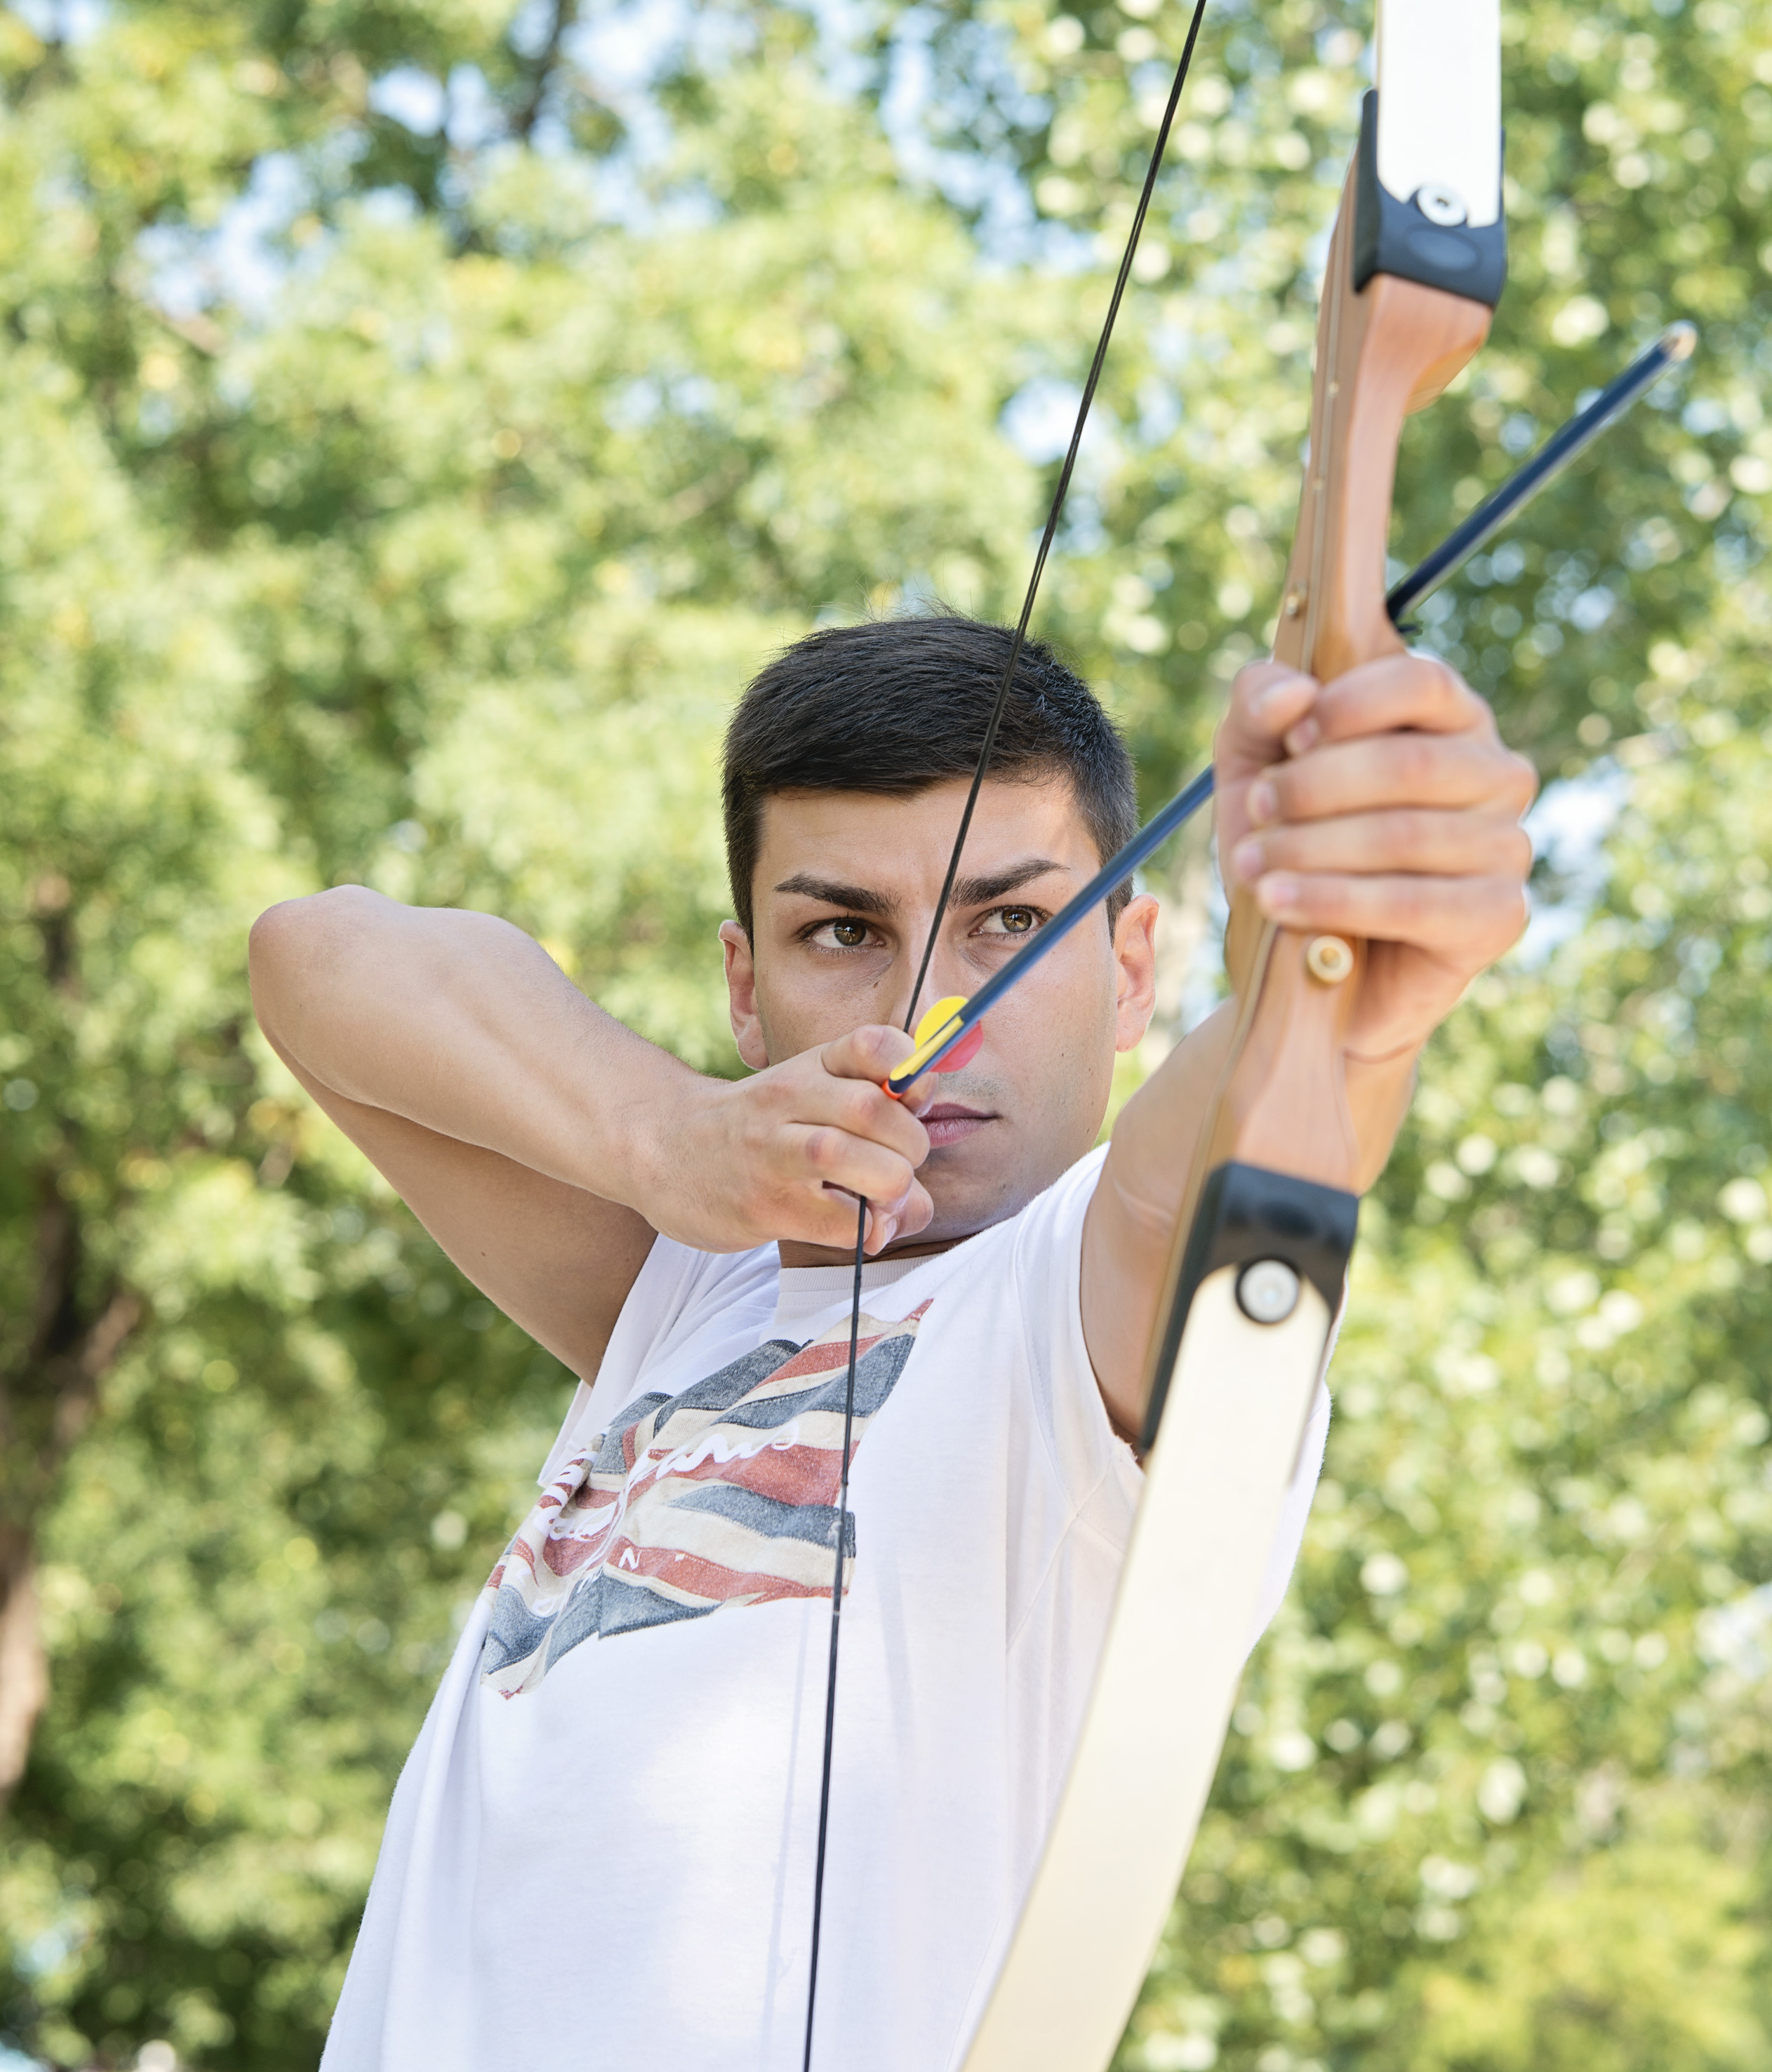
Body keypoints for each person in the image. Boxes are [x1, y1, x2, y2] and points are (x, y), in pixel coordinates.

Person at [248, 613, 1533, 2070]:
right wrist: (665, 1134)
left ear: (1130, 969)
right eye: (843, 932)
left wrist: (1353, 942)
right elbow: (316, 954)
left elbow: (1281, 1093)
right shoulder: (680, 1291)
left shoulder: (1080, 1313)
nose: (928, 1017)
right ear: (747, 984)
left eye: (1010, 923)